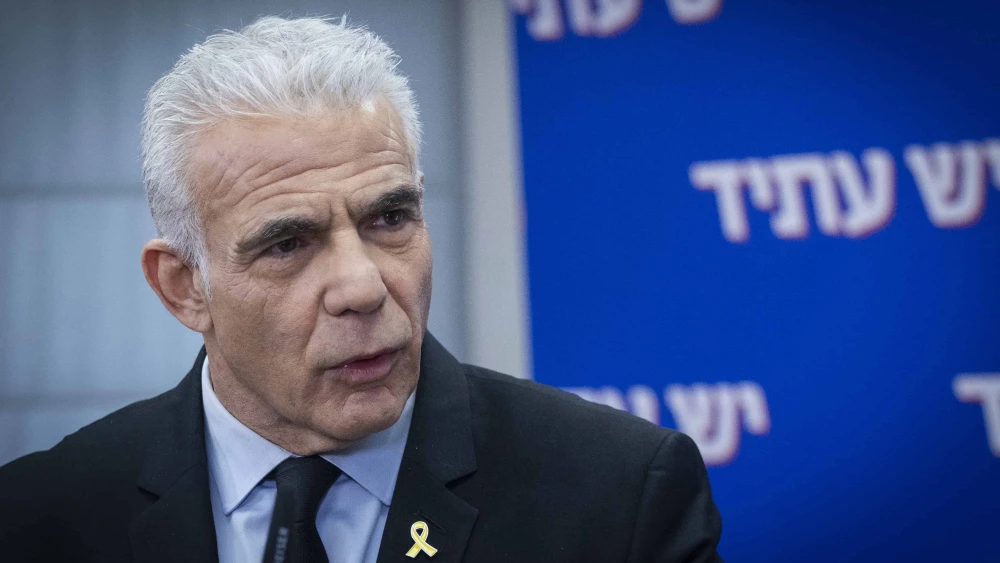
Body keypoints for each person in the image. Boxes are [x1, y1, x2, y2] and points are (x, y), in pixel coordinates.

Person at [0, 17, 722, 563]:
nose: (362, 285)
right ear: (185, 286)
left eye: (389, 217)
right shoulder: (39, 515)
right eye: (287, 243)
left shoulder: (622, 495)